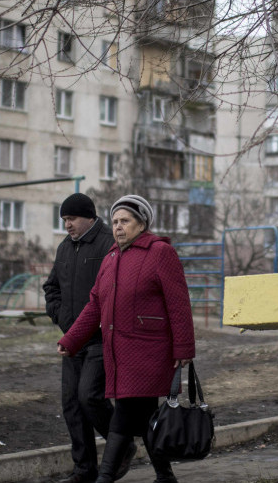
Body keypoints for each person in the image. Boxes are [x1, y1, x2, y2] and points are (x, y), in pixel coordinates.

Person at [57, 194, 195, 483]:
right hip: (119, 351)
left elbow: (178, 303)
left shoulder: (160, 252)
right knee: (144, 417)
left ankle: (104, 478)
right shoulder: (111, 257)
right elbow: (95, 304)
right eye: (116, 221)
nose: (118, 227)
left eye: (125, 221)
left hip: (149, 351)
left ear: (142, 223)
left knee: (124, 414)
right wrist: (71, 340)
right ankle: (165, 475)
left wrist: (184, 346)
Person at [44, 193, 131, 483]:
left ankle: (121, 447)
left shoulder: (108, 243)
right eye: (64, 220)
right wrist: (60, 316)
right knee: (71, 404)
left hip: (99, 339)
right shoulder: (65, 248)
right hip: (72, 340)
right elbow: (51, 287)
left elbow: (117, 290)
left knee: (90, 396)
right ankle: (84, 470)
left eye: (72, 219)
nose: (67, 225)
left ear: (89, 217)